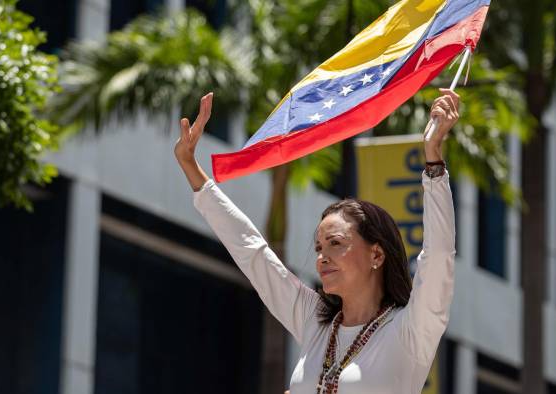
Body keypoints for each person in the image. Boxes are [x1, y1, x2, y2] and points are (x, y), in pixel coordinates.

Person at [174, 89, 459, 394]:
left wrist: (433, 159)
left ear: (376, 254)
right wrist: (191, 166)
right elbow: (252, 252)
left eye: (335, 243)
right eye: (320, 248)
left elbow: (439, 255)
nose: (322, 257)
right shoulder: (316, 322)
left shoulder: (411, 329)